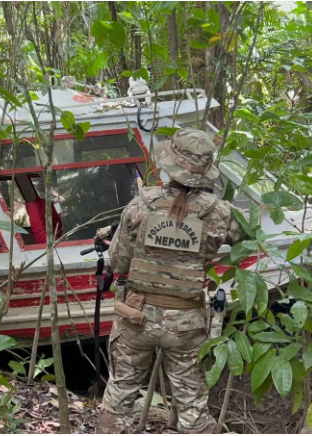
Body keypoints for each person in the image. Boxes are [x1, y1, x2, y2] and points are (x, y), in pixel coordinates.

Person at [95, 128, 244, 434]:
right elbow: (251, 238)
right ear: (206, 171)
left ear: (169, 165)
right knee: (192, 408)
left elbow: (118, 263)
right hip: (187, 323)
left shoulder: (140, 206)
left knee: (120, 396)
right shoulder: (221, 214)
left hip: (136, 317)